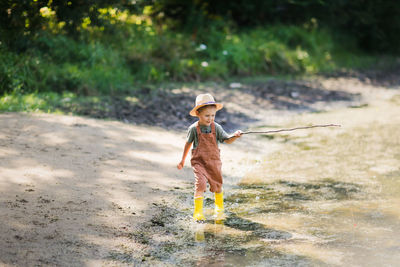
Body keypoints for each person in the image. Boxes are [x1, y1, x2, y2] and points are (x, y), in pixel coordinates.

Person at [177, 93, 242, 222]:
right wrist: (183, 160)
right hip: (199, 162)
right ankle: (198, 212)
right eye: (207, 116)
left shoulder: (216, 127)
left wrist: (235, 136)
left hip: (214, 162)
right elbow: (188, 144)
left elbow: (226, 140)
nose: (210, 118)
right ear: (198, 114)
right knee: (200, 184)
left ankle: (219, 208)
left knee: (217, 185)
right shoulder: (193, 129)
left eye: (213, 115)